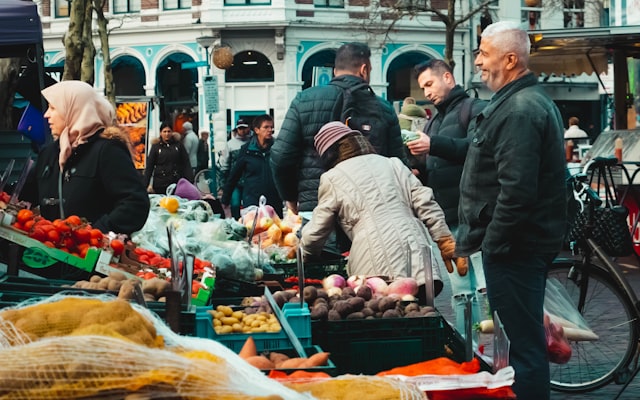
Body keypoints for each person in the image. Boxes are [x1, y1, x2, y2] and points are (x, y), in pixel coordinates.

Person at [458, 21, 567, 400]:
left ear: (509, 59)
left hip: (516, 245)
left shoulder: (519, 108)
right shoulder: (522, 102)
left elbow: (517, 191)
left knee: (525, 348)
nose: (478, 62)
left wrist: (494, 242)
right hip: (521, 242)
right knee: (525, 342)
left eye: (484, 54)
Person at [300, 122, 467, 303]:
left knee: (386, 316)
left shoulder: (332, 178)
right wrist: (444, 239)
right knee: (422, 315)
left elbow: (318, 229)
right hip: (416, 250)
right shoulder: (393, 164)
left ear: (328, 154)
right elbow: (426, 202)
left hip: (373, 263)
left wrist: (305, 253)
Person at [271, 42, 407, 218]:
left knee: (317, 245)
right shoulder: (384, 109)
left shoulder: (304, 100)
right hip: (368, 210)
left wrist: (290, 196)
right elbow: (398, 164)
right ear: (364, 70)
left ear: (335, 71)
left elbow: (280, 156)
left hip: (316, 205)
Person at [407, 58, 487, 338]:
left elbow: (478, 150)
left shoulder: (475, 109)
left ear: (448, 79)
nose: (426, 92)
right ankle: (471, 348)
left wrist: (434, 146)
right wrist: (418, 168)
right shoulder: (433, 122)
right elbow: (436, 167)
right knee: (461, 291)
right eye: (422, 87)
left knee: (484, 288)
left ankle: (500, 348)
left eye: (429, 84)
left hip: (475, 218)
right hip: (448, 222)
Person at [27, 80, 150, 236]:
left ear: (73, 110)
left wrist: (97, 232)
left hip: (92, 254)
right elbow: (24, 195)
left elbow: (135, 203)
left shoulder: (107, 151)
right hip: (49, 254)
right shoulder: (49, 153)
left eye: (53, 108)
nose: (46, 115)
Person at [221, 114, 283, 218]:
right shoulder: (247, 150)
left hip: (274, 201)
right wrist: (225, 199)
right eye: (266, 127)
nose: (270, 130)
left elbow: (286, 173)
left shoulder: (277, 148)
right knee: (253, 232)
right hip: (252, 202)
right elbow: (234, 175)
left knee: (275, 232)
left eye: (271, 127)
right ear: (257, 130)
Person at [144, 121, 194, 195]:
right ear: (161, 133)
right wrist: (145, 184)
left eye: (169, 131)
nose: (167, 134)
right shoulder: (156, 147)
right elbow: (150, 166)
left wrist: (190, 180)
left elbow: (186, 163)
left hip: (176, 182)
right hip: (160, 183)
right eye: (164, 132)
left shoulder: (178, 146)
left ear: (172, 132)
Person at [218, 118, 252, 219]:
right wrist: (223, 181)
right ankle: (236, 221)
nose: (242, 131)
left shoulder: (253, 142)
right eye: (240, 128)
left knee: (249, 206)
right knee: (235, 204)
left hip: (249, 179)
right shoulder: (230, 144)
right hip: (235, 181)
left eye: (244, 128)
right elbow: (226, 163)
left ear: (248, 128)